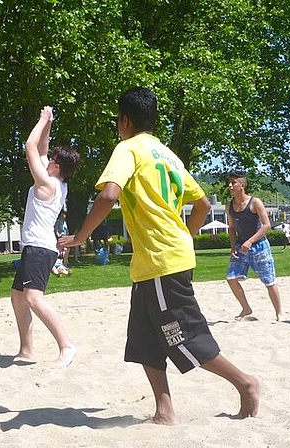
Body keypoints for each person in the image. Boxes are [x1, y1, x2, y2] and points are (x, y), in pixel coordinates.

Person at [59, 87, 260, 424]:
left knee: (186, 337)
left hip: (161, 263)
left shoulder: (128, 149)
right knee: (145, 341)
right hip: (153, 264)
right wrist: (185, 235)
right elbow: (203, 204)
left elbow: (109, 195)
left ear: (124, 120)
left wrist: (81, 236)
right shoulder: (167, 154)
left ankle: (246, 383)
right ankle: (164, 411)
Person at [10, 105, 80, 368]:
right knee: (18, 296)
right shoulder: (59, 183)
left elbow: (30, 145)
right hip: (37, 247)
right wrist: (49, 121)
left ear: (56, 165)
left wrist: (40, 119)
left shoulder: (47, 183)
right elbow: (42, 147)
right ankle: (26, 350)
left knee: (32, 298)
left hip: (39, 248)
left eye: (51, 159)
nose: (47, 158)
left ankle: (66, 345)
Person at [226, 171, 283, 321]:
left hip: (259, 247)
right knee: (231, 278)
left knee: (269, 281)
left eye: (234, 182)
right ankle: (246, 308)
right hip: (240, 248)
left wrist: (250, 241)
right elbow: (231, 228)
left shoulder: (254, 202)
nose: (230, 186)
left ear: (242, 185)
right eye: (229, 183)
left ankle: (279, 313)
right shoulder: (229, 206)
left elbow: (266, 225)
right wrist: (233, 247)